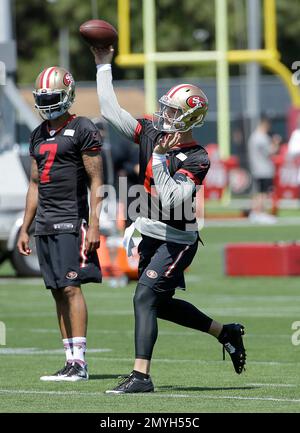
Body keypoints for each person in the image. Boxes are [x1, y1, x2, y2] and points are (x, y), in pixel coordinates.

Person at [92, 46, 246, 394]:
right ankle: (225, 332)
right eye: (165, 107)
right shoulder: (150, 132)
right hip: (148, 231)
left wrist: (160, 160)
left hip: (177, 239)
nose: (164, 114)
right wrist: (103, 65)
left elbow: (173, 197)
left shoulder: (197, 157)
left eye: (174, 111)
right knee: (158, 304)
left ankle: (141, 376)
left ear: (191, 117)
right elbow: (111, 111)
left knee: (144, 297)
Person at [17, 66, 103, 382]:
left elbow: (97, 180)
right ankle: (69, 360)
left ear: (66, 95)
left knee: (70, 287)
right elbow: (34, 184)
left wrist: (94, 224)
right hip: (45, 222)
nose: (46, 103)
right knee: (55, 290)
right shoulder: (37, 133)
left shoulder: (82, 128)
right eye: (43, 97)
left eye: (51, 96)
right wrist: (25, 226)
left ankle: (80, 362)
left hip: (71, 219)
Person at [247, 115, 280, 223]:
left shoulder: (253, 136)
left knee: (258, 192)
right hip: (264, 169)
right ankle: (259, 213)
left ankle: (254, 212)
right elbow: (271, 151)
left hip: (257, 168)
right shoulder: (262, 137)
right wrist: (276, 143)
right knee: (263, 193)